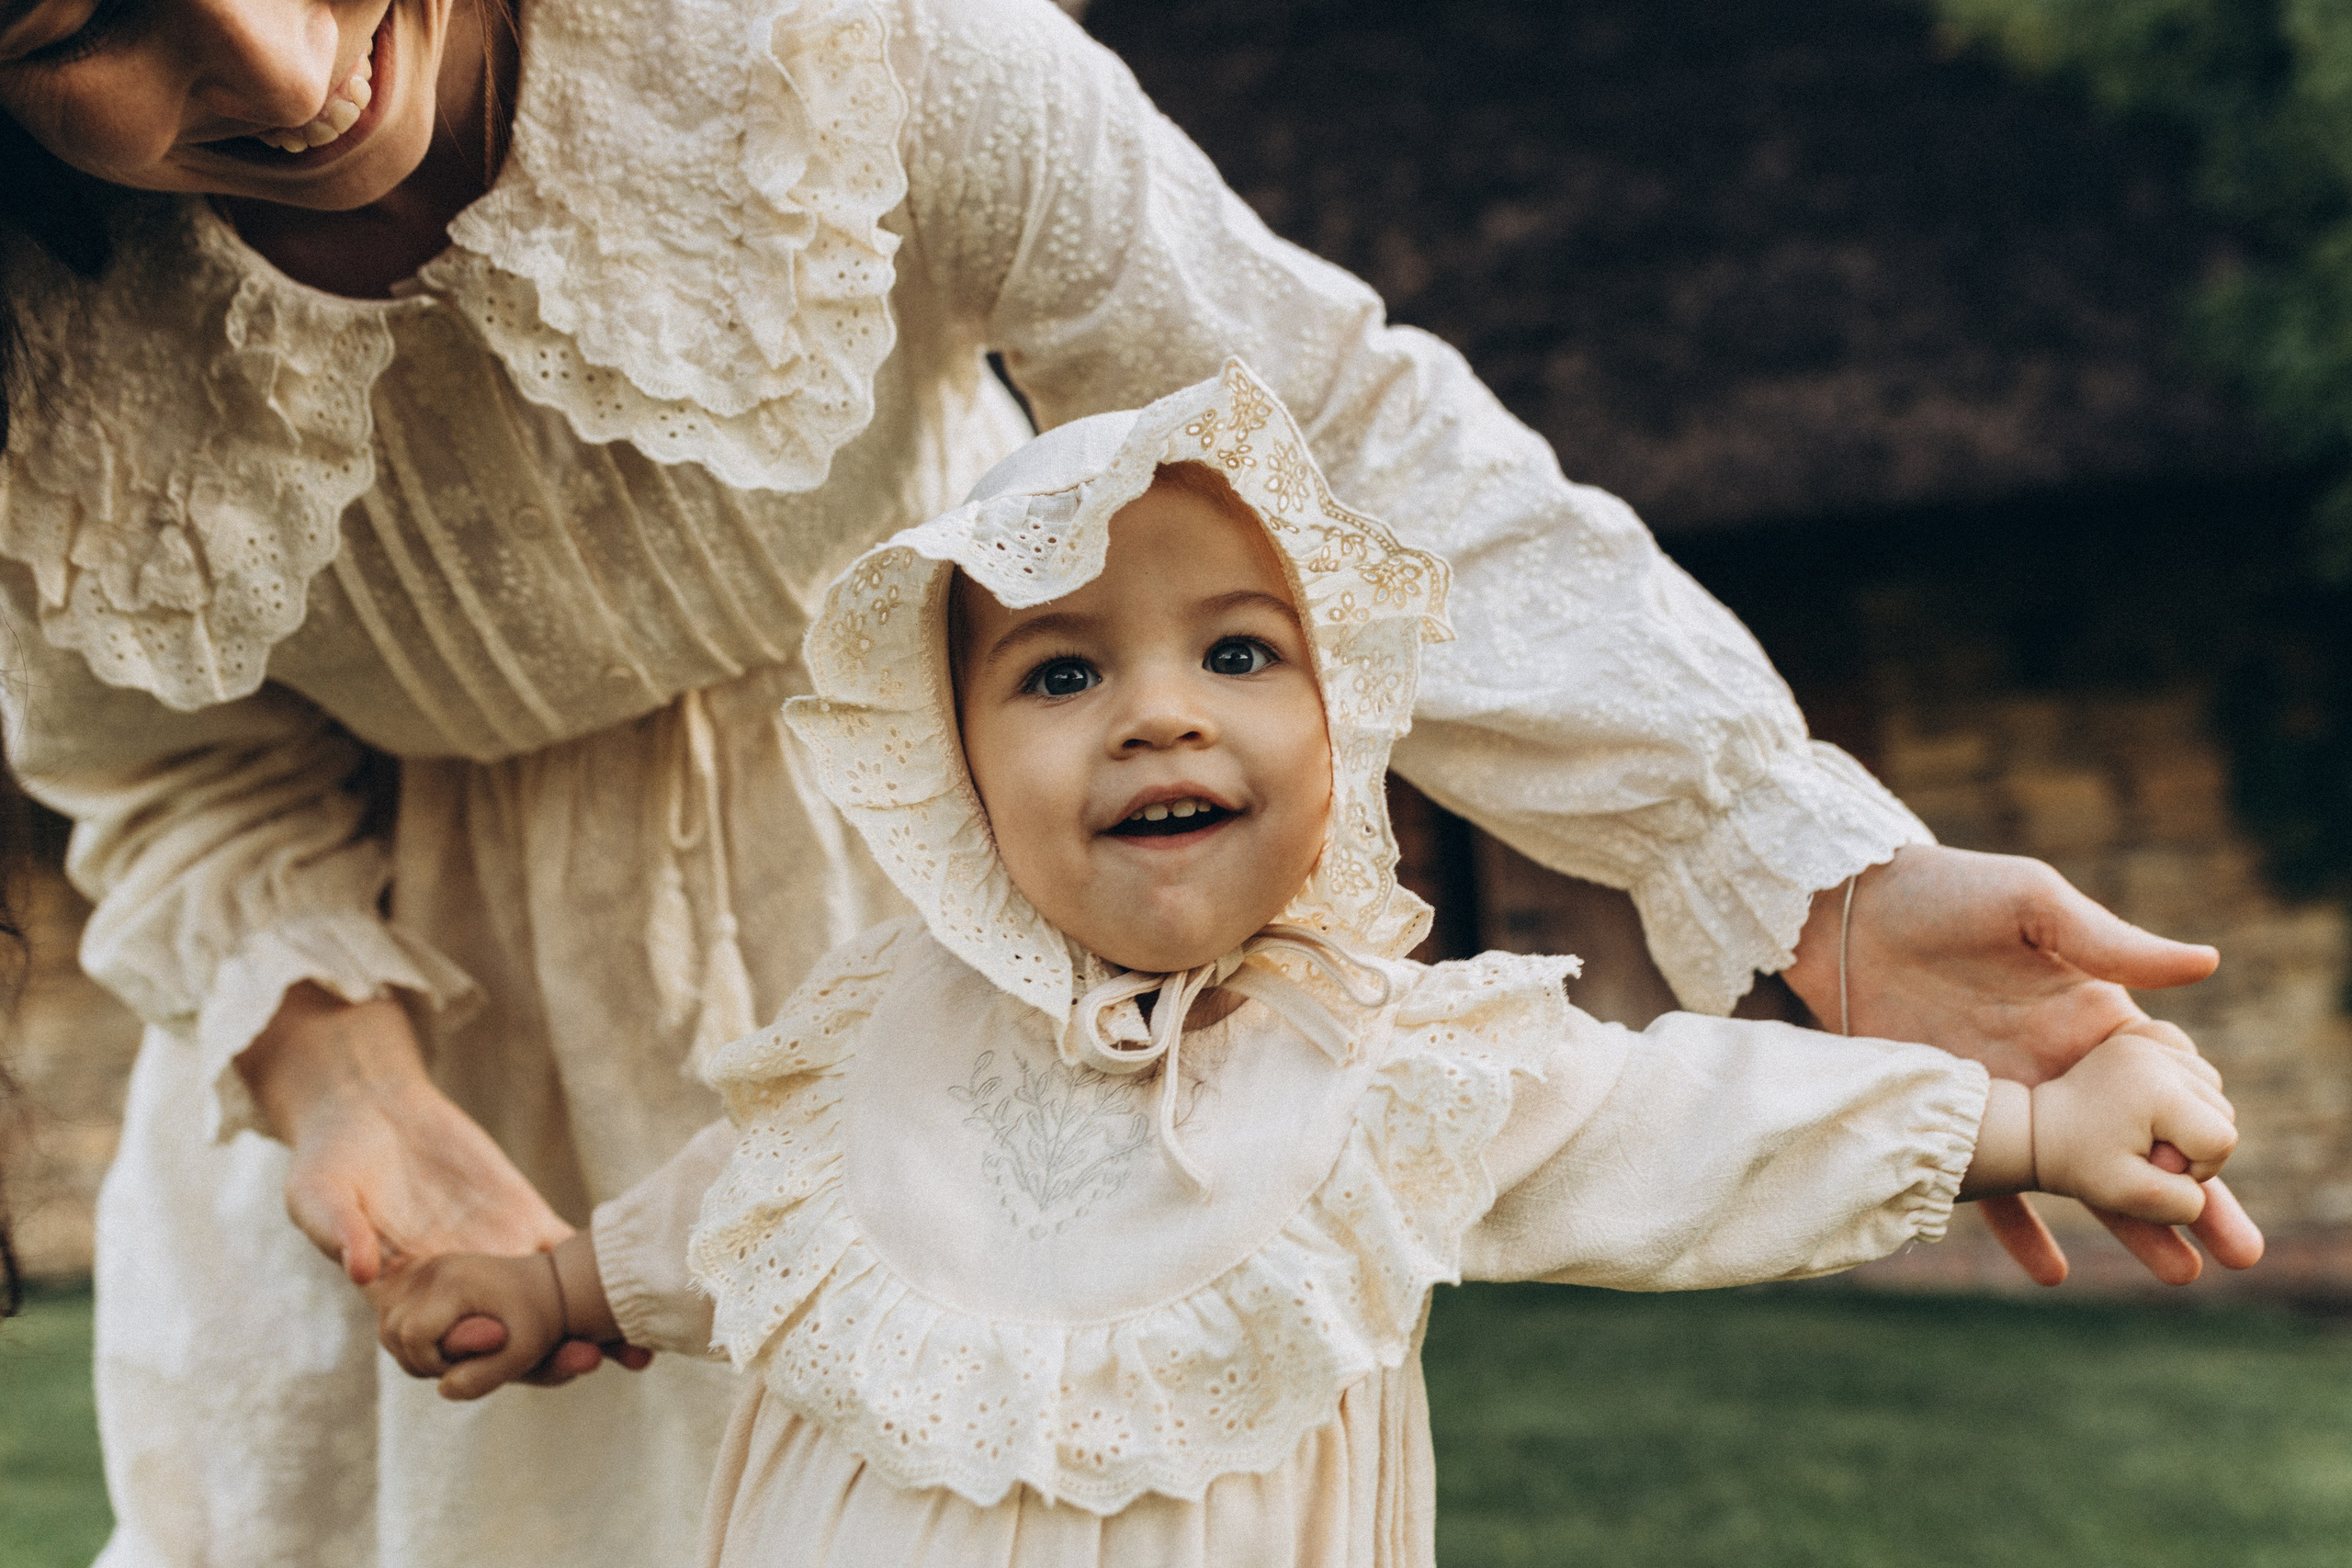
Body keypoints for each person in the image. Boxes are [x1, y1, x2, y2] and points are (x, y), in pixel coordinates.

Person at [0, 0, 2256, 1562]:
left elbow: (1338, 456)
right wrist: (360, 1096)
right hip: (421, 1053)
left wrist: (1801, 869)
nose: (276, 65)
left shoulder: (834, 59)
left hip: (913, 896)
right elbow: (166, 775)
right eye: (77, 15)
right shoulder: (40, 341)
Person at [374, 365, 2245, 1567]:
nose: (1158, 713)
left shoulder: (1392, 1064)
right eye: (1059, 670)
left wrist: (2027, 1123)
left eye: (1239, 653)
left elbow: (1690, 1122)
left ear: (1340, 724)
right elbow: (742, 1209)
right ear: (954, 772)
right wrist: (555, 1283)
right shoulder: (882, 1030)